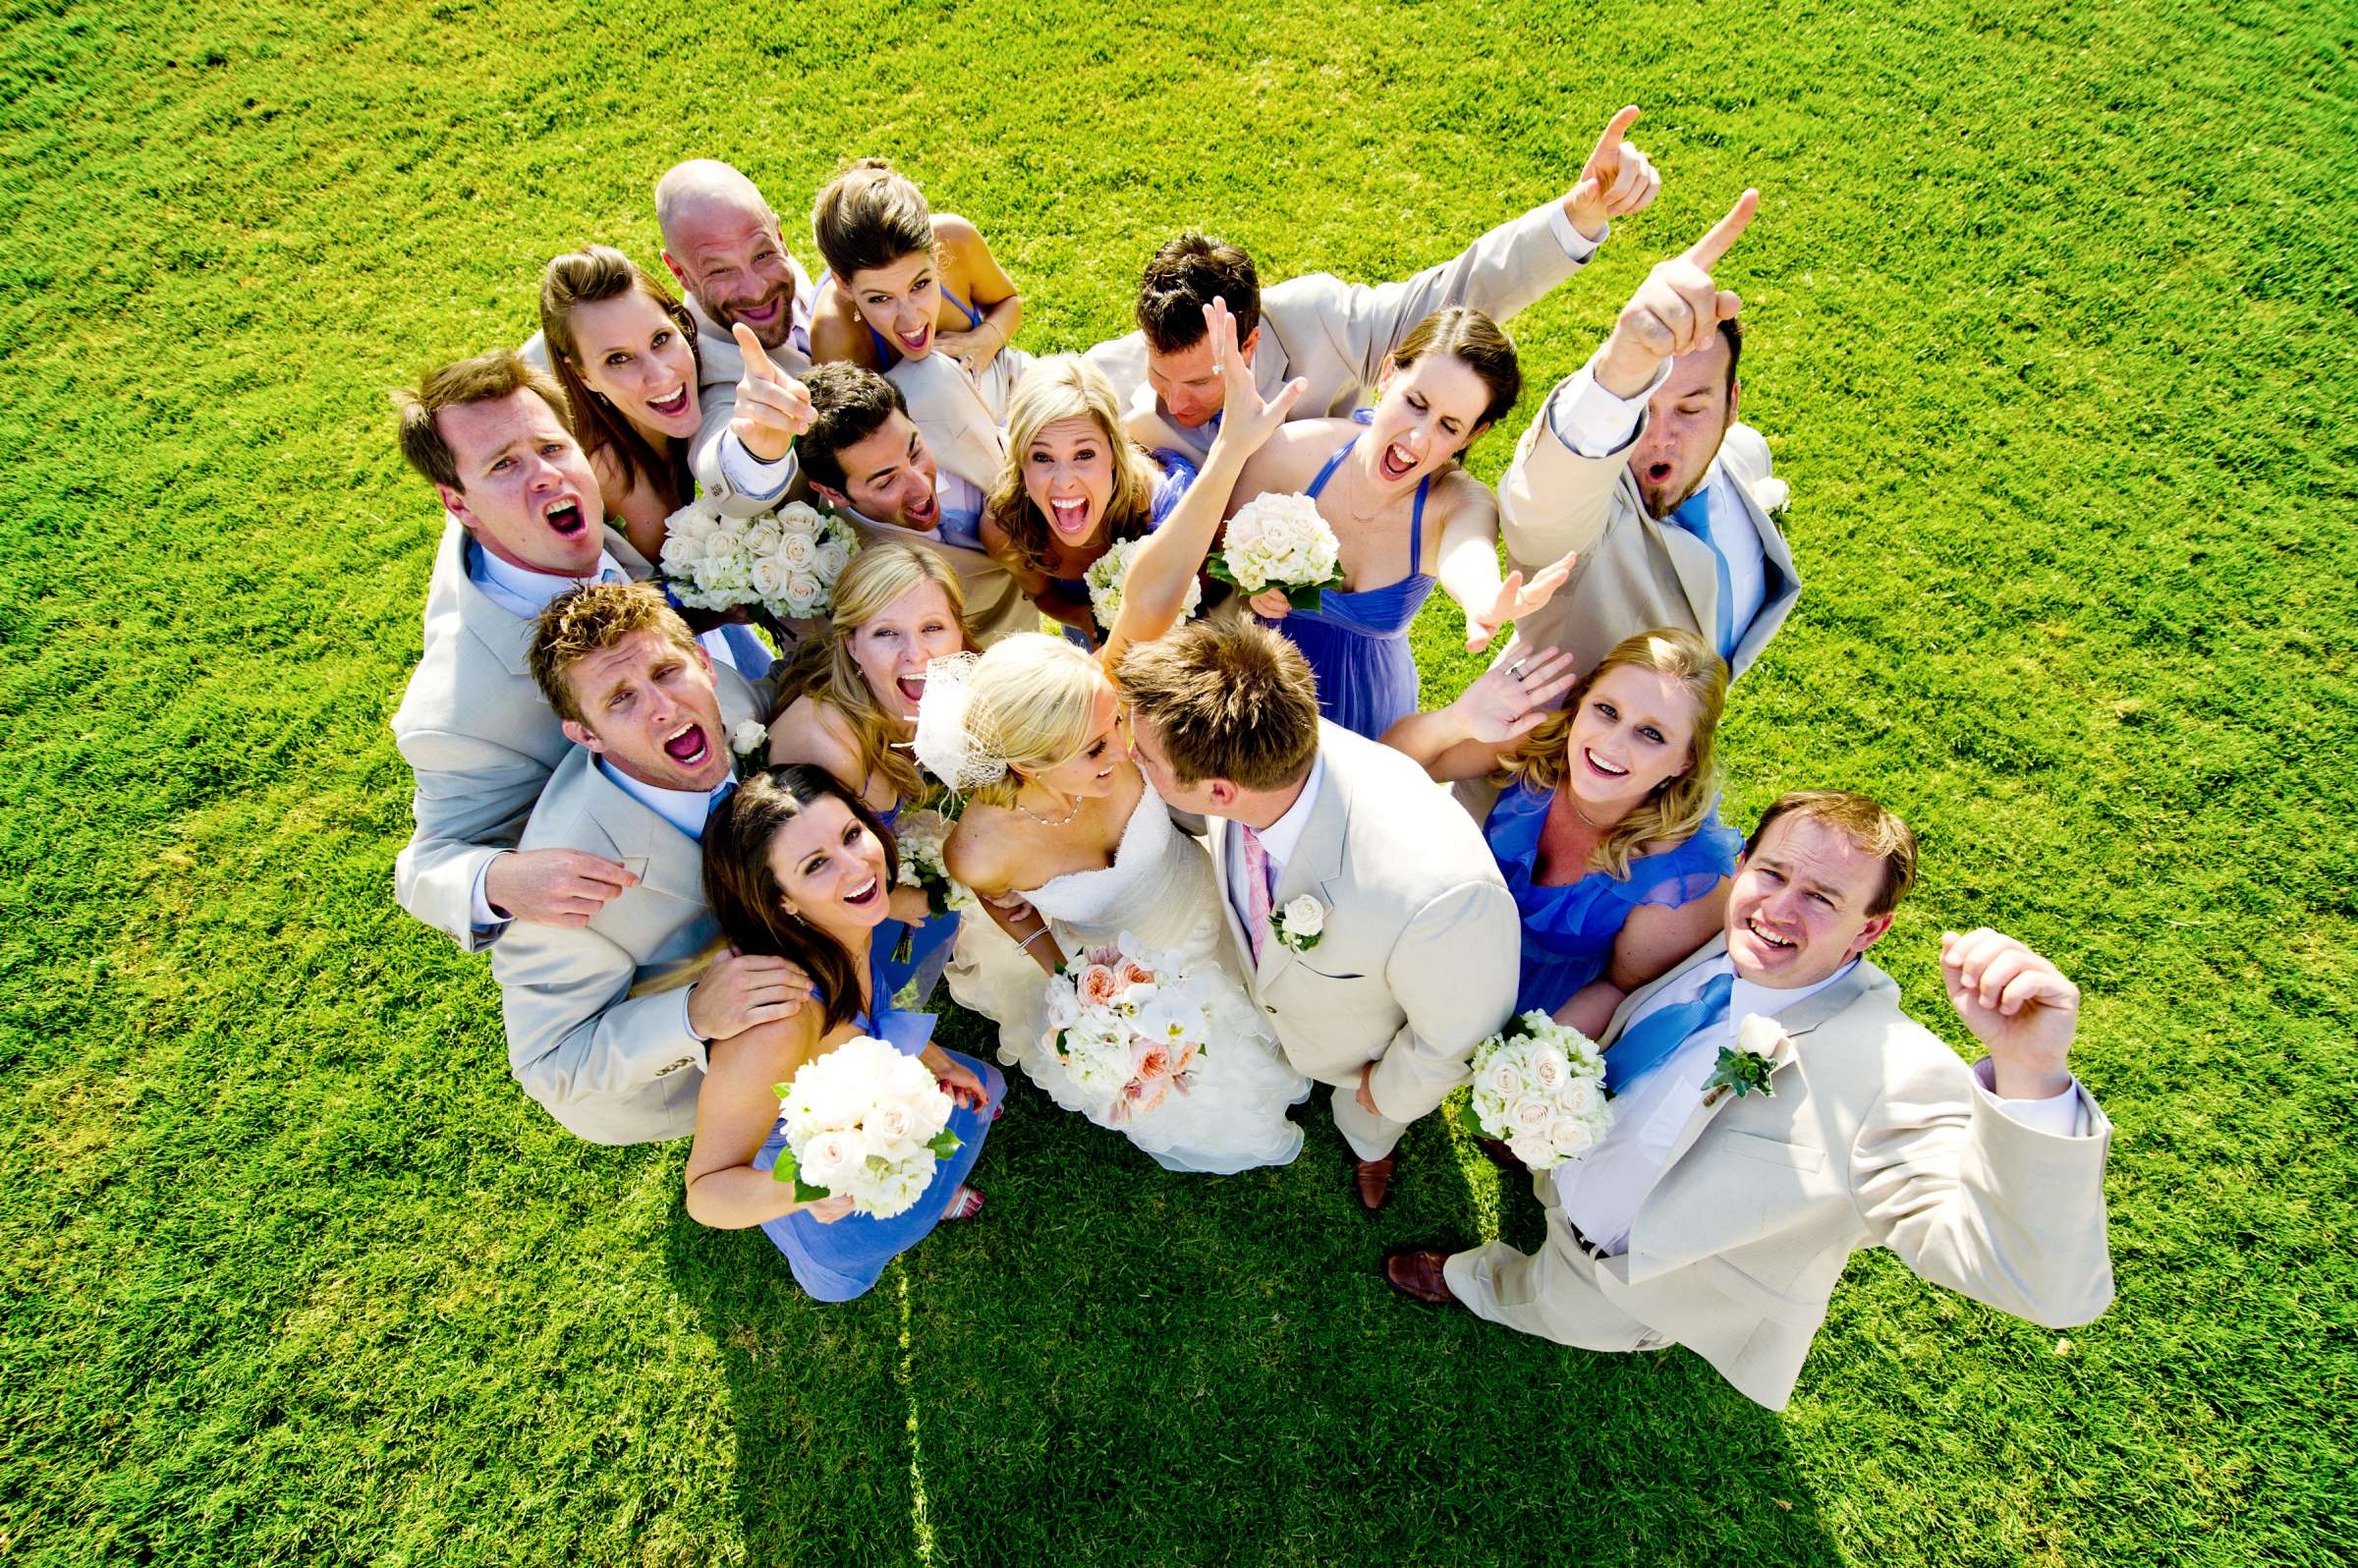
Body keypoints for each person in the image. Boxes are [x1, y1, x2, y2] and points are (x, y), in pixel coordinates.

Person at [1383, 792, 2116, 1412]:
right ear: (1742, 868)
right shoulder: (1724, 935)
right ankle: (1534, 1165)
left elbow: (2043, 1285)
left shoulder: (1891, 1074)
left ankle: (1473, 1282)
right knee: (1543, 1172)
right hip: (1573, 1158)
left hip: (1624, 1277)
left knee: (1543, 1300)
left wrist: (2032, 1073)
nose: (1780, 911)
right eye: (1772, 874)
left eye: (1822, 898)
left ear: (1871, 929)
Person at [924, 301, 1312, 1174]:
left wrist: (1231, 449)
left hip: (1198, 907)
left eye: (1114, 733)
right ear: (1022, 767)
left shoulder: (1097, 695)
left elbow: (1150, 593)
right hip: (1120, 970)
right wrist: (1067, 974)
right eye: (1099, 752)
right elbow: (1010, 912)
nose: (1127, 750)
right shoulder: (981, 850)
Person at [1117, 620, 1522, 1209]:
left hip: (1359, 1069)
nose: (1133, 758)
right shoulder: (1266, 757)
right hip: (1284, 1006)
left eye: (1145, 757)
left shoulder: (1441, 900)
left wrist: (1382, 1099)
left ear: (1221, 792)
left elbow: (1451, 1042)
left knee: (1369, 1121)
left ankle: (1371, 1144)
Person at [388, 350, 768, 953]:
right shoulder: (459, 712)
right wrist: (502, 880)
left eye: (552, 447)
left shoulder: (549, 524)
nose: (546, 476)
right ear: (459, 505)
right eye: (505, 465)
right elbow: (424, 866)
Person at [1085, 107, 1662, 464]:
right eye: (1160, 375)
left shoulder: (1320, 324)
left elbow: (1456, 293)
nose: (1173, 400)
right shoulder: (1110, 379)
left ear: (1249, 343)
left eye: (1198, 381)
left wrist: (1577, 217)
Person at [492, 584, 811, 1143]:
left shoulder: (725, 704)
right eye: (621, 699)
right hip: (692, 1066)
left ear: (705, 664)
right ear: (585, 734)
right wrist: (693, 1015)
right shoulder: (565, 886)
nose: (665, 709)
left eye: (666, 673)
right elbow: (548, 1063)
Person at [686, 765, 1003, 1303]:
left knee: (978, 1088)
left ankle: (935, 1192)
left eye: (851, 834)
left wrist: (934, 1059)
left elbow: (868, 1017)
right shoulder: (780, 1021)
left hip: (881, 1102)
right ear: (782, 900)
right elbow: (706, 1194)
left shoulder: (844, 917)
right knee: (882, 1223)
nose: (857, 867)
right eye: (816, 865)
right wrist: (811, 1185)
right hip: (833, 1174)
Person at [1493, 190, 1800, 686]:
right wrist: (1618, 374)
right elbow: (1541, 505)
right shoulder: (1591, 520)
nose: (1658, 436)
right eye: (1641, 405)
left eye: (1691, 408)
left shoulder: (1747, 454)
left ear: (1732, 404)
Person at [1225, 307, 1570, 739]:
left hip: (1371, 710)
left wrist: (1482, 599)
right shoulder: (1292, 452)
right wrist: (1249, 586)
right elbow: (1215, 546)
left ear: (1473, 435)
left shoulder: (1458, 503)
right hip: (1262, 692)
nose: (1418, 438)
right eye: (1416, 403)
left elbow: (1469, 552)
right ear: (1388, 374)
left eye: (1449, 426)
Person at [1384, 628, 1738, 1034]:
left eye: (1651, 734)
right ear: (1581, 702)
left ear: (1685, 762)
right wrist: (1455, 721)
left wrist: (1528, 1054)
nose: (1612, 744)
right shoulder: (1544, 738)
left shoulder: (1685, 882)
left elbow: (1621, 989)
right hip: (1454, 924)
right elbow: (1389, 763)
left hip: (1545, 1001)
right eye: (1607, 710)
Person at [808, 160, 1032, 496]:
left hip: (998, 381)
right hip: (928, 450)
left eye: (921, 284)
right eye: (880, 299)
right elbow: (853, 446)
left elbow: (1009, 301)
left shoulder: (957, 239)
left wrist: (985, 339)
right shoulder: (833, 333)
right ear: (843, 284)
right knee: (932, 379)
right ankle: (1017, 504)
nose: (911, 321)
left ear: (935, 253)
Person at [799, 362, 1038, 646]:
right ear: (834, 493)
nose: (922, 487)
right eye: (886, 482)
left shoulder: (936, 382)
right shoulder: (841, 571)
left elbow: (1014, 376)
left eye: (915, 452)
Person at [979, 356, 1202, 644]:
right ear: (1021, 462)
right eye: (1042, 457)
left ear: (1113, 453)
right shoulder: (1005, 530)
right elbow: (1043, 594)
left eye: (1084, 455)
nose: (1064, 480)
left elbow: (1205, 598)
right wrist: (1085, 618)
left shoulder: (1160, 505)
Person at [651, 159, 821, 516]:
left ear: (779, 234)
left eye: (761, 254)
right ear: (679, 272)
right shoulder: (709, 377)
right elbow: (722, 475)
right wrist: (754, 445)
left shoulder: (805, 278)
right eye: (721, 270)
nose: (757, 289)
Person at [535, 245, 702, 561]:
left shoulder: (703, 381)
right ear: (583, 375)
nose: (661, 375)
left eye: (661, 339)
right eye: (619, 359)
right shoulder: (621, 484)